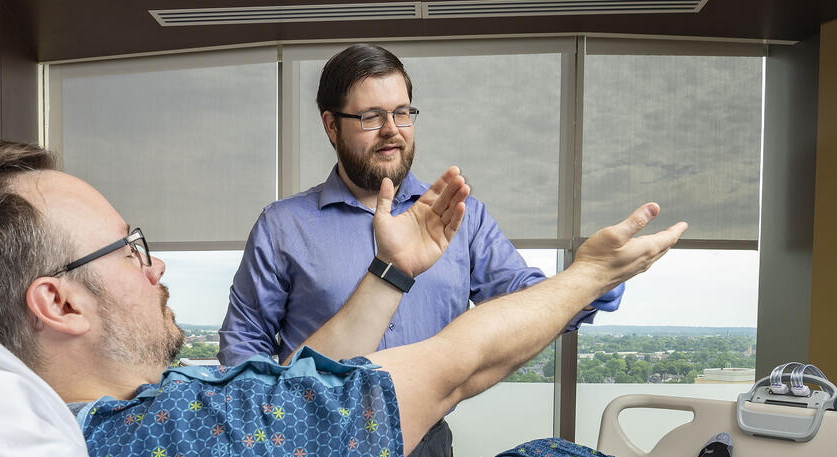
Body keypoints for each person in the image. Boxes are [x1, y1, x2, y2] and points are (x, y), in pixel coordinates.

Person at [0, 139, 685, 457]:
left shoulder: (152, 408)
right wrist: (591, 274)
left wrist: (391, 272)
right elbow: (451, 367)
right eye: (129, 248)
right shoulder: (163, 433)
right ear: (58, 303)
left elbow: (293, 394)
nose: (156, 263)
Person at [219, 43, 623, 453]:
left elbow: (526, 301)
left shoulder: (463, 218)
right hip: (316, 440)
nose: (392, 129)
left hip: (428, 440)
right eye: (371, 116)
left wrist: (595, 275)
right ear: (331, 126)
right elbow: (243, 348)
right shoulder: (282, 226)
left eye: (401, 112)